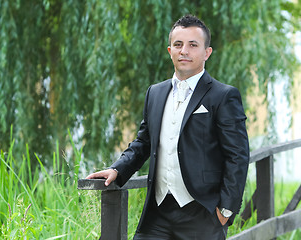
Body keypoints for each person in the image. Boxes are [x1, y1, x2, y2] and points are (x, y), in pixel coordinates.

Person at [86, 14, 249, 240]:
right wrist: (117, 169)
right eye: (178, 44)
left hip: (202, 212)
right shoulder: (156, 92)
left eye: (193, 45)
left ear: (207, 53)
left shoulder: (223, 95)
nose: (184, 51)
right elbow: (143, 142)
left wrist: (226, 210)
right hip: (157, 213)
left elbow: (237, 155)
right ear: (169, 50)